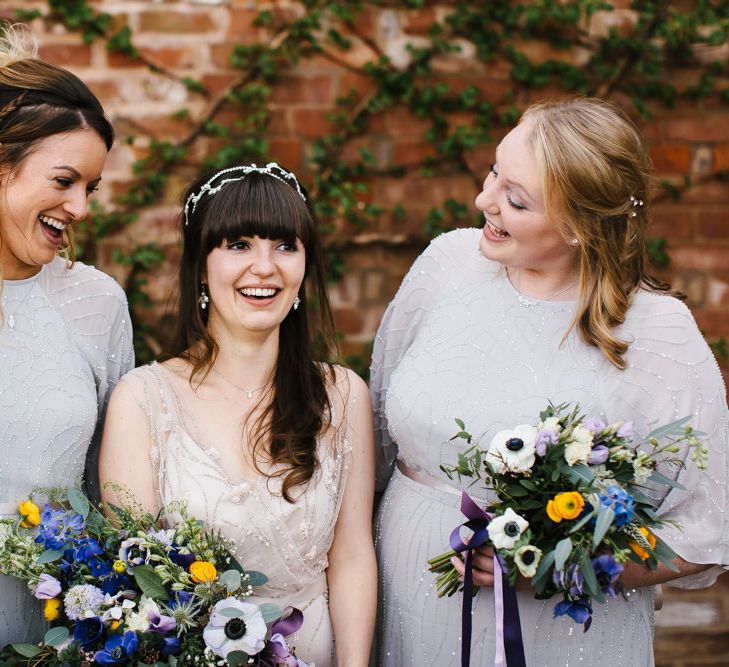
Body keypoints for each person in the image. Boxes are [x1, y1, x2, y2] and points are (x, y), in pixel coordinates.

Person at [371, 97, 729, 666]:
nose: (483, 201)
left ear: (581, 227)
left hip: (559, 634)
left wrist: (559, 570)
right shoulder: (448, 264)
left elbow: (701, 536)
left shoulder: (657, 332)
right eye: (494, 172)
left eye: (516, 200)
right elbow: (377, 432)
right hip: (405, 591)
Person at [99, 162, 377, 666]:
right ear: (201, 266)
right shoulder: (142, 400)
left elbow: (352, 555)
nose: (265, 267)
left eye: (285, 245)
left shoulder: (343, 395)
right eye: (238, 245)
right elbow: (133, 580)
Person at [0, 24, 134, 644]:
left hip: (51, 631)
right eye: (63, 181)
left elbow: (112, 487)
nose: (81, 208)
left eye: (91, 188)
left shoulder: (96, 302)